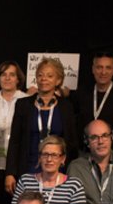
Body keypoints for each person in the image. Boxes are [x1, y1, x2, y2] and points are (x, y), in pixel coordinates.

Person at [5, 58, 79, 193]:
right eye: (40, 75)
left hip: (57, 169)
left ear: (58, 80)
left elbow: (72, 142)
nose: (44, 79)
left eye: (50, 76)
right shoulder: (23, 105)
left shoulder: (66, 107)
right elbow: (15, 141)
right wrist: (10, 173)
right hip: (28, 168)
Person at [0, 61, 29, 170]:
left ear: (18, 79)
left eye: (12, 75)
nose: (7, 78)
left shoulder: (28, 101)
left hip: (19, 163)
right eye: (3, 74)